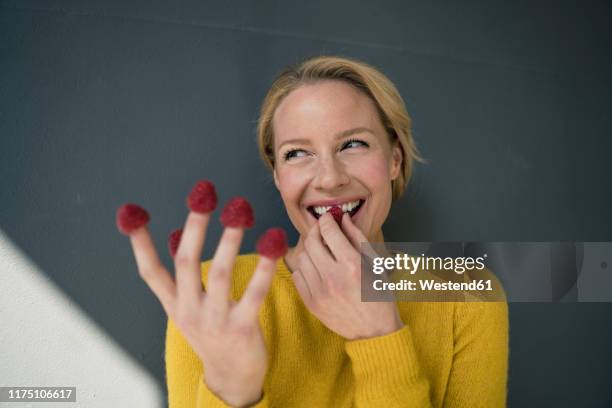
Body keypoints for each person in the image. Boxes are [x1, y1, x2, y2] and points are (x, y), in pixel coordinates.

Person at [128, 55, 509, 407]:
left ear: (395, 159)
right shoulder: (211, 294)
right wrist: (233, 391)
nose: (329, 179)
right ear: (278, 175)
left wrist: (379, 337)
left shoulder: (467, 297)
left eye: (354, 144)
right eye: (297, 153)